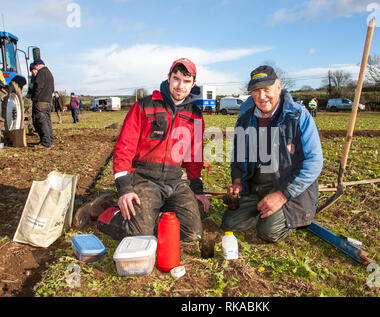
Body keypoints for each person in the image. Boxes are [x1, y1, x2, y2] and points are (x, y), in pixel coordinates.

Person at [88, 58, 210, 242]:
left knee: (191, 234)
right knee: (139, 234)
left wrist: (198, 190)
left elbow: (194, 156)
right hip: (144, 178)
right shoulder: (145, 105)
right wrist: (124, 189)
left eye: (186, 81)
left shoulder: (195, 115)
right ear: (168, 78)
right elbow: (124, 147)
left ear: (193, 84)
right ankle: (107, 211)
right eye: (176, 79)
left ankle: (152, 214)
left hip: (175, 180)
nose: (180, 86)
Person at [221, 65, 323, 242]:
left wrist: (282, 195)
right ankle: (263, 209)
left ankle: (288, 213)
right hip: (258, 185)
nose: (261, 97)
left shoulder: (298, 116)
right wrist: (237, 182)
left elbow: (314, 162)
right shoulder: (245, 119)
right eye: (256, 91)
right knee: (230, 223)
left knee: (268, 233)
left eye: (266, 89)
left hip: (289, 186)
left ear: (279, 87)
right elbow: (239, 156)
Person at [30, 59, 54, 148]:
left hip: (40, 101)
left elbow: (38, 86)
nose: (35, 68)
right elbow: (52, 89)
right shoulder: (49, 73)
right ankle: (50, 140)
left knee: (41, 121)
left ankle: (46, 143)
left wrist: (34, 97)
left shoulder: (41, 73)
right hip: (47, 101)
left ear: (38, 65)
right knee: (47, 121)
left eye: (35, 66)